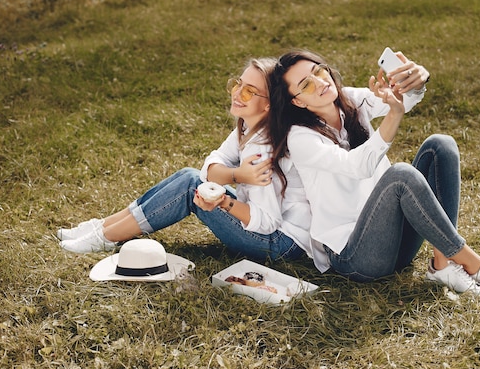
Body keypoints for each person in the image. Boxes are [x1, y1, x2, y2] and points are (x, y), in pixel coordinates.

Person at [267, 49, 480, 296]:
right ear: (297, 102)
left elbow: (404, 99)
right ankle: (475, 264)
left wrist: (419, 77)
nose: (320, 82)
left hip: (395, 242)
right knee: (400, 176)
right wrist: (393, 115)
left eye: (319, 71)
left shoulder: (349, 101)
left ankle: (442, 265)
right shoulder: (300, 139)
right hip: (356, 258)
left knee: (440, 145)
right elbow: (358, 166)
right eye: (306, 84)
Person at [58, 57, 312, 263]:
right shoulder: (248, 128)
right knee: (188, 175)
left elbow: (267, 223)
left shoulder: (263, 153)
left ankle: (106, 236)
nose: (237, 93)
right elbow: (212, 163)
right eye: (238, 84)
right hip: (267, 230)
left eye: (249, 92)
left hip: (279, 245)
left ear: (268, 105)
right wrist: (235, 176)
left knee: (191, 186)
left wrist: (222, 200)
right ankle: (103, 226)